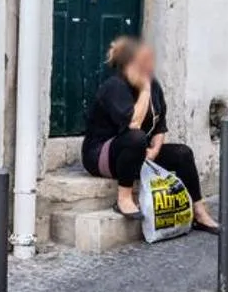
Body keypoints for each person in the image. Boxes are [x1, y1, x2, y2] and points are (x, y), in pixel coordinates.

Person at [81, 37, 220, 231]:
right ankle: (124, 198)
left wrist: (154, 151)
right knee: (135, 139)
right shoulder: (114, 87)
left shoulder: (153, 85)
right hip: (101, 156)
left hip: (138, 153)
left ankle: (199, 212)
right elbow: (134, 124)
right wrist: (144, 89)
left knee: (183, 154)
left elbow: (160, 126)